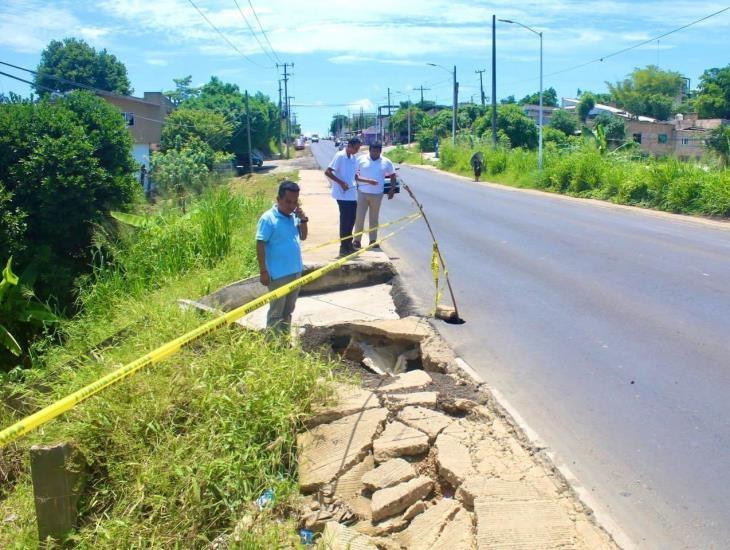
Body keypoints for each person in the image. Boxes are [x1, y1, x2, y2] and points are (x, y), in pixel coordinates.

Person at [255, 180, 308, 334]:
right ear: (278, 199)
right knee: (276, 313)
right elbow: (260, 244)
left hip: (295, 272)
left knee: (288, 311)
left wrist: (303, 219)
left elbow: (303, 236)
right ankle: (272, 346)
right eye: (287, 202)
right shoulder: (268, 219)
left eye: (295, 202)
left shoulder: (294, 216)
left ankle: (284, 341)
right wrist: (263, 271)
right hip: (278, 276)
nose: (291, 206)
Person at [353, 142, 396, 250]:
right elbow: (354, 174)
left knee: (374, 218)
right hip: (362, 193)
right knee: (359, 218)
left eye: (377, 151)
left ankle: (372, 240)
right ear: (369, 150)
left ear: (380, 151)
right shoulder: (360, 159)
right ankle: (357, 241)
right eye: (373, 150)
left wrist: (392, 189)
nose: (375, 153)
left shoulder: (386, 162)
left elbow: (393, 175)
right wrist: (363, 180)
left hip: (377, 194)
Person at [324, 137, 362, 256]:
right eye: (356, 148)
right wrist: (341, 183)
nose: (357, 151)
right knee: (345, 220)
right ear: (349, 146)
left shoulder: (353, 158)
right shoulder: (340, 156)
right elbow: (328, 172)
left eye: (358, 149)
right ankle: (343, 247)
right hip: (342, 194)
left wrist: (368, 181)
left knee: (352, 220)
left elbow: (354, 175)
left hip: (351, 194)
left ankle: (348, 244)